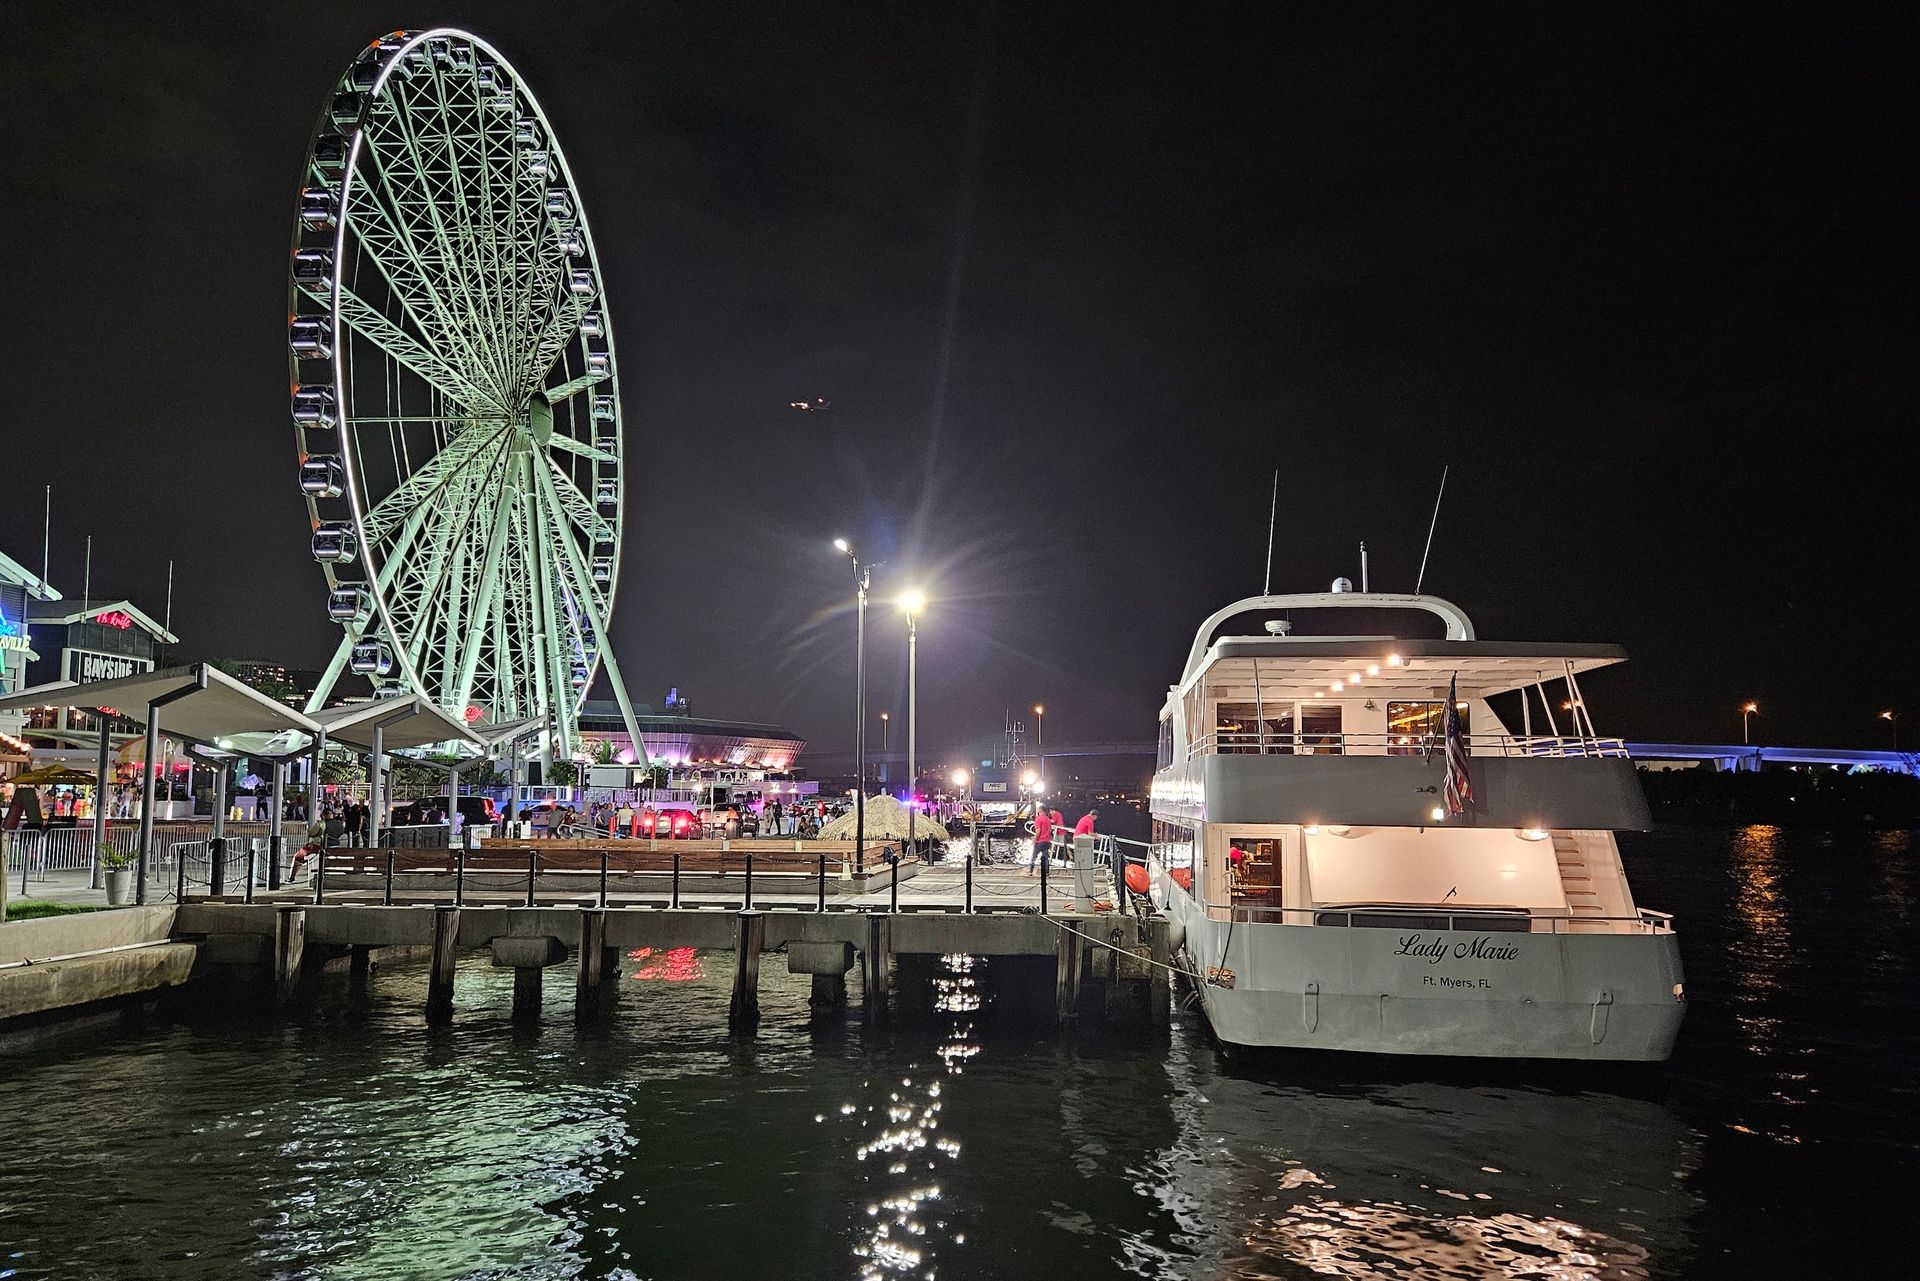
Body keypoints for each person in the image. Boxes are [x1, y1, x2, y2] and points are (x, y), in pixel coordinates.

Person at [1028, 807, 1054, 876]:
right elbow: (1050, 830)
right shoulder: (1048, 819)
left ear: (1040, 810)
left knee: (1034, 856)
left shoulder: (1038, 819)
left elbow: (1038, 831)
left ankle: (1031, 871)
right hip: (1047, 841)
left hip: (1040, 841)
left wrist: (1035, 839)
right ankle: (1047, 872)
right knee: (1045, 857)